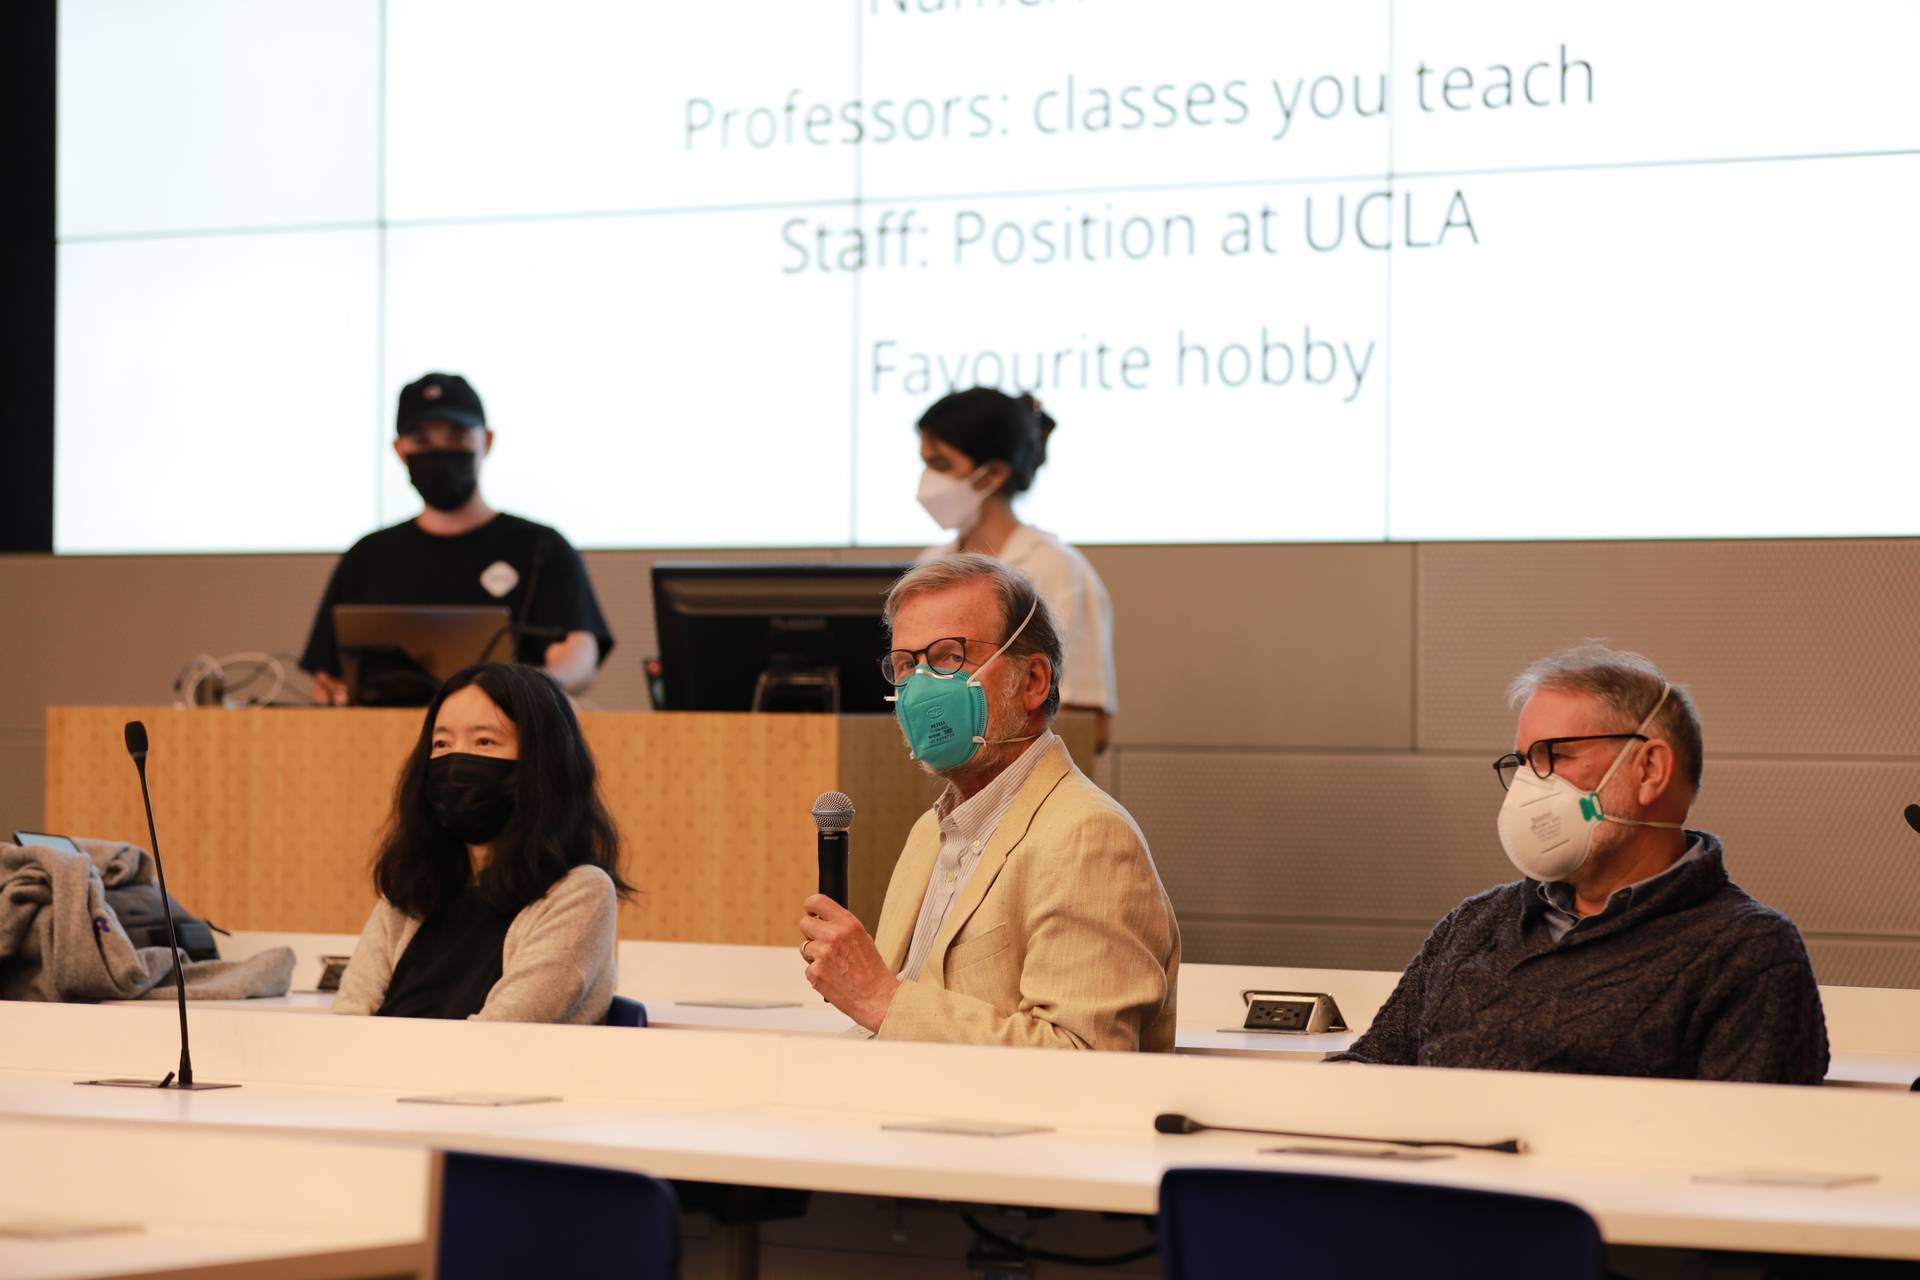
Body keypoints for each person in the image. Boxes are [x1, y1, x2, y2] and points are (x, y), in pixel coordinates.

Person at [1330, 644, 1828, 1084]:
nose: (1530, 783)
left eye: (1555, 756)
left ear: (1649, 770)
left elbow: (1746, 1154)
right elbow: (1365, 1077)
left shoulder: (1747, 952)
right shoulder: (1474, 926)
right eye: (1523, 761)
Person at [797, 554, 1179, 1050]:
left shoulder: (1087, 835)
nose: (919, 688)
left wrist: (881, 998)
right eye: (908, 665)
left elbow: (1084, 1057)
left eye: (949, 657)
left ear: (1034, 682)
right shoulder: (928, 833)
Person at [332, 662, 629, 1023]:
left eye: (484, 741)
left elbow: (495, 1040)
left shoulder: (580, 892)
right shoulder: (413, 891)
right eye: (441, 743)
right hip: (374, 1076)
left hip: (478, 1079)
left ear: (541, 763)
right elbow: (348, 1020)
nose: (455, 761)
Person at [300, 372, 614, 705]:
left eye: (458, 436)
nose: (441, 452)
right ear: (399, 449)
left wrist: (530, 687)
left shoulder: (541, 548)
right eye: (422, 441)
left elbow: (581, 653)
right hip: (380, 742)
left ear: (486, 441)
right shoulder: (368, 556)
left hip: (506, 738)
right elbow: (327, 678)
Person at [914, 388, 1117, 752]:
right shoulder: (931, 563)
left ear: (992, 474)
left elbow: (1088, 721)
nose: (927, 480)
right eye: (925, 462)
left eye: (941, 464)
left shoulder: (1055, 567)